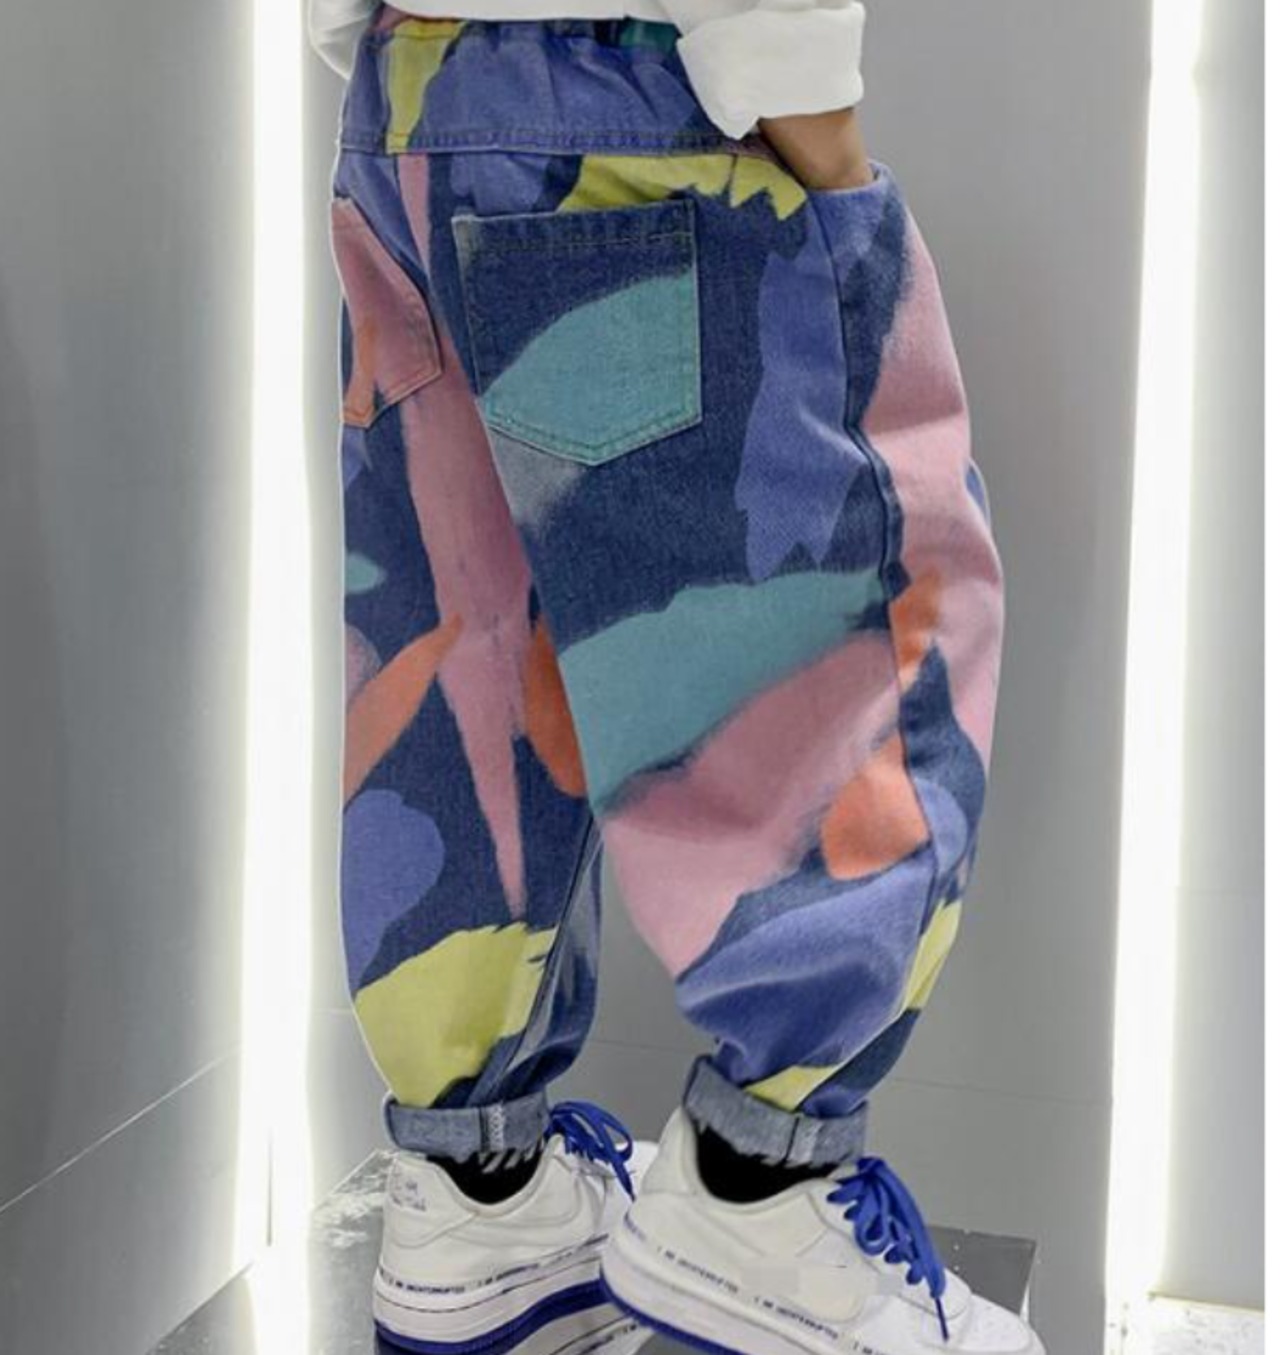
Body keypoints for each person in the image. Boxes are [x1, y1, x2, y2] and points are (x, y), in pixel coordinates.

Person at [312, 4, 1042, 1354]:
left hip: (410, 105)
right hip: (640, 94)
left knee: (466, 646)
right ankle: (763, 1194)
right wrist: (809, 103)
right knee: (833, 624)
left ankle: (479, 1197)